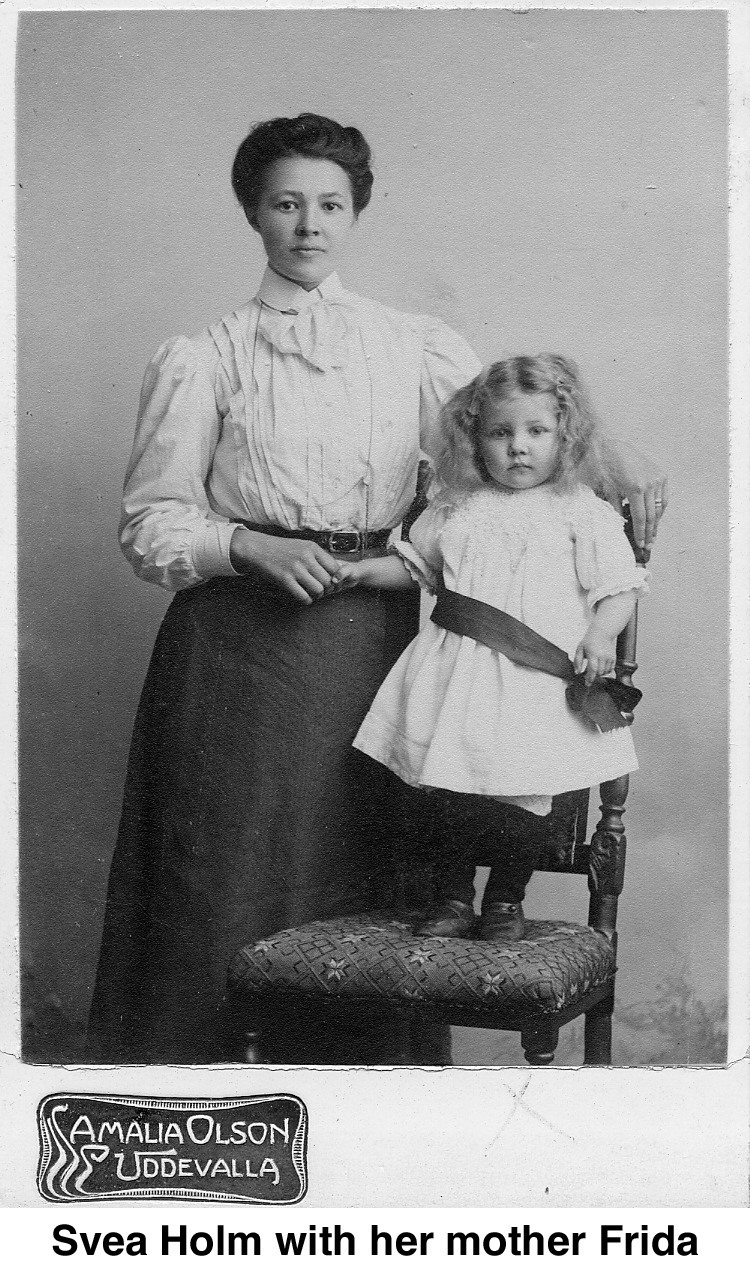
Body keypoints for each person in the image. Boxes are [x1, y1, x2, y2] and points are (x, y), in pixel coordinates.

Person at [87, 113, 666, 1065]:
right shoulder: (207, 355)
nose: (308, 225)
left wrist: (626, 459)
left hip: (385, 648)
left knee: (374, 878)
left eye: (330, 204)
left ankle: (367, 1110)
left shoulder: (419, 346)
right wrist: (244, 546)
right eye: (285, 204)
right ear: (254, 216)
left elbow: (527, 422)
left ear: (355, 214)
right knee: (227, 885)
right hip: (240, 653)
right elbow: (151, 525)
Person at [351, 354, 650, 941]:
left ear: (564, 437)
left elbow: (621, 588)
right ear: (473, 439)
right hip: (453, 673)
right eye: (500, 432)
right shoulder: (456, 506)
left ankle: (505, 899)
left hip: (530, 678)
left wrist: (599, 634)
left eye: (536, 431)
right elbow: (418, 568)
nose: (518, 447)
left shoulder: (579, 511)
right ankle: (452, 896)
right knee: (444, 789)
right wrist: (360, 574)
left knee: (525, 794)